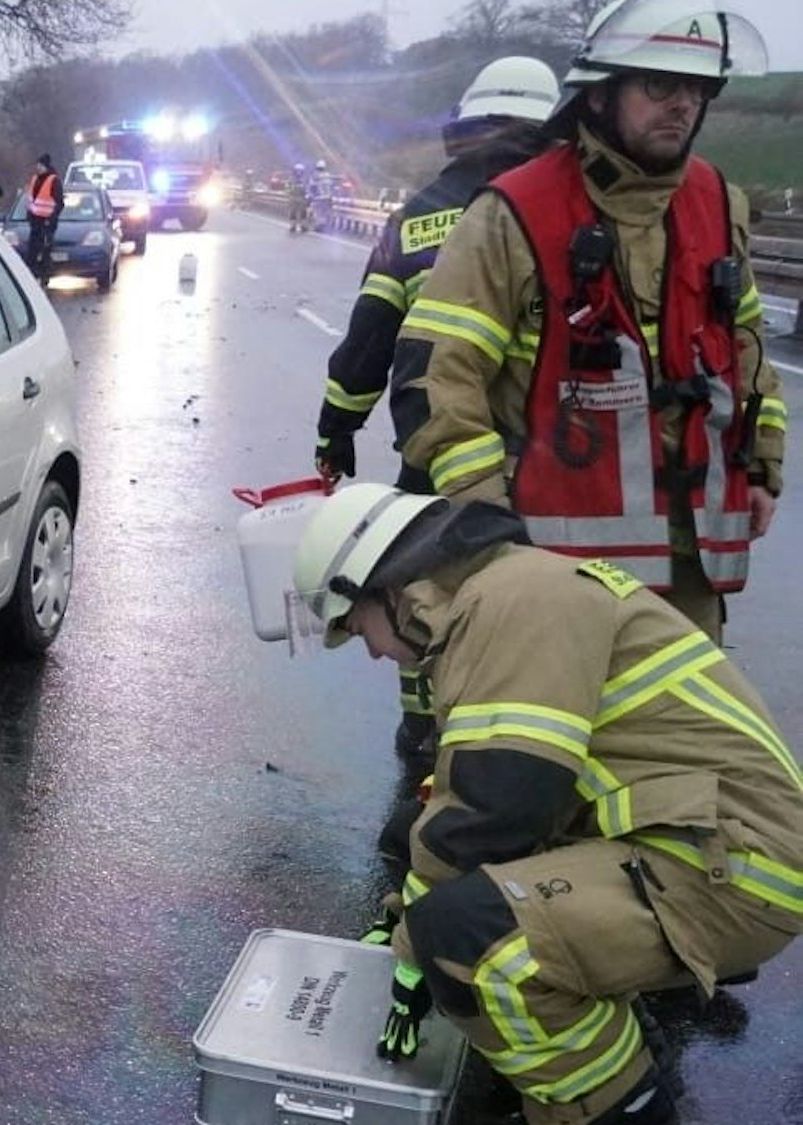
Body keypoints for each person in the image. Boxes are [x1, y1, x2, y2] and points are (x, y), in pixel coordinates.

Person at [290, 482, 803, 1125]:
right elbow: (474, 801)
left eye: (357, 627)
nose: (371, 650)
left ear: (388, 590)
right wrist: (404, 916)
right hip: (691, 839)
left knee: (470, 942)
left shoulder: (513, 604)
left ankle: (618, 1108)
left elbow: (495, 806)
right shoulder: (505, 591)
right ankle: (609, 1031)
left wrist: (414, 946)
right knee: (417, 841)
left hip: (733, 869)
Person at [389, 1, 784, 646]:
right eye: (659, 84)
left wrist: (762, 468)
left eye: (695, 88)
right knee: (555, 740)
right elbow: (439, 374)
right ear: (599, 96)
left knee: (679, 738)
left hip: (692, 566)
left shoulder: (718, 203)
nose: (681, 103)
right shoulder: (515, 213)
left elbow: (744, 344)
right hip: (553, 563)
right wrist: (487, 521)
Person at [313, 56, 561, 764]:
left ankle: (428, 738)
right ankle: (529, 735)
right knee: (543, 604)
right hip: (555, 461)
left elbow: (369, 344)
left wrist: (336, 431)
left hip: (436, 453)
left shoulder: (416, 221)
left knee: (425, 595)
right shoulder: (565, 214)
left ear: (464, 132)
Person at [23, 154, 65, 281]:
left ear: (46, 166)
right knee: (32, 250)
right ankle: (31, 276)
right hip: (35, 221)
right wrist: (29, 214)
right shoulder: (35, 179)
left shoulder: (54, 180)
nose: (38, 167)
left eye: (41, 165)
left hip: (47, 222)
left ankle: (45, 276)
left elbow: (59, 203)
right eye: (37, 165)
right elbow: (31, 199)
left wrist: (51, 218)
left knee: (45, 250)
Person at [286, 163, 309, 232]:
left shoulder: (304, 179)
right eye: (298, 171)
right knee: (293, 212)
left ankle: (302, 225)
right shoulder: (291, 179)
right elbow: (287, 188)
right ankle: (293, 225)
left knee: (303, 212)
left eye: (300, 171)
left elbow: (308, 188)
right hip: (295, 198)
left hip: (300, 198)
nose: (299, 172)